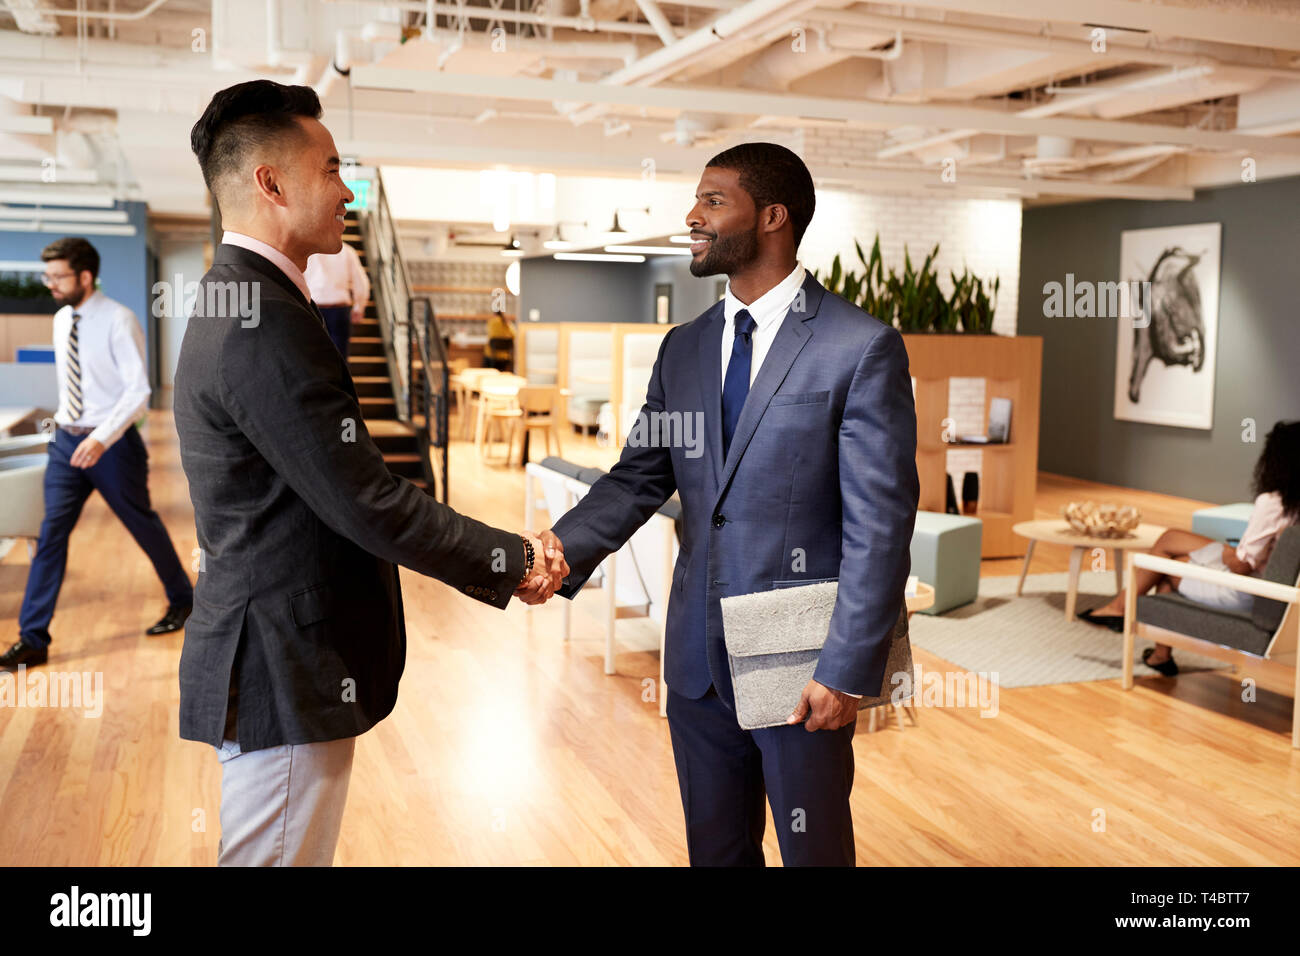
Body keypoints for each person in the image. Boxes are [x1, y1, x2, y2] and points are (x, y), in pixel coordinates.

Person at [179, 80, 565, 866]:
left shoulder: (248, 302)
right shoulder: (261, 324)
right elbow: (369, 502)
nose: (347, 189)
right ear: (270, 183)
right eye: (329, 170)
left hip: (278, 650)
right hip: (283, 658)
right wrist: (513, 556)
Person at [537, 143, 919, 866]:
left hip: (804, 662)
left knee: (815, 856)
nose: (692, 215)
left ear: (772, 217)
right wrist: (559, 549)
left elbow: (881, 526)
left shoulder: (859, 347)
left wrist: (846, 667)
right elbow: (639, 477)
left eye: (713, 201)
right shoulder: (684, 347)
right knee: (714, 853)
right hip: (696, 660)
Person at [0, 237, 195, 673]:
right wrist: (67, 428)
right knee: (50, 535)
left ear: (85, 276)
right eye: (46, 276)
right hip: (67, 442)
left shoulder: (119, 320)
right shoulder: (61, 319)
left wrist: (101, 437)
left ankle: (184, 601)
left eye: (57, 276)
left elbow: (139, 392)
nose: (49, 284)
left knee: (140, 523)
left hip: (112, 446)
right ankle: (33, 638)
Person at [1078, 420, 1300, 676]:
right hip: (1267, 586)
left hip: (1244, 588)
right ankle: (1152, 647)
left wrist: (1232, 554)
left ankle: (1123, 613)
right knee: (1170, 539)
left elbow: (1240, 565)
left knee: (1166, 564)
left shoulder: (1272, 503)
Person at [303, 242, 369, 359]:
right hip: (339, 308)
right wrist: (359, 306)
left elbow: (300, 279)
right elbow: (360, 281)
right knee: (339, 358)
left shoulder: (307, 250)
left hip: (314, 307)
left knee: (314, 356)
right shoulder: (347, 251)